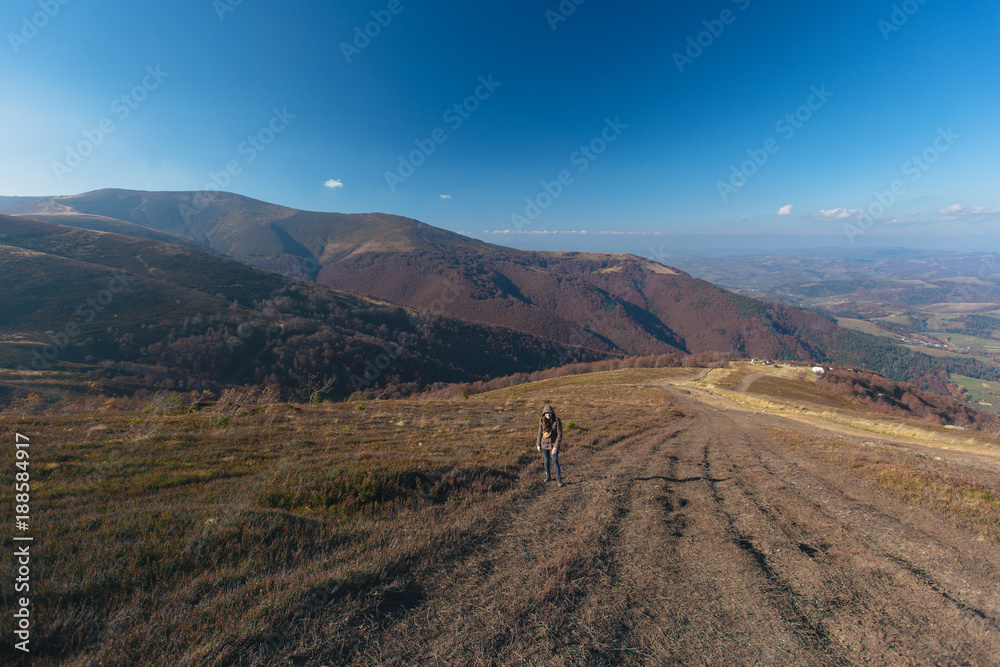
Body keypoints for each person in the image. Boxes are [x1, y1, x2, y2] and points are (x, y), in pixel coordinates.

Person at [536, 404, 563, 487]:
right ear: (544, 414)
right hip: (544, 444)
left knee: (555, 461)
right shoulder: (542, 421)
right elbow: (539, 433)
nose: (548, 415)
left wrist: (556, 447)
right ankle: (548, 476)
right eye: (546, 413)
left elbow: (559, 434)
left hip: (553, 444)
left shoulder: (557, 421)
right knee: (546, 460)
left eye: (550, 413)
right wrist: (538, 444)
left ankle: (559, 479)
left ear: (552, 413)